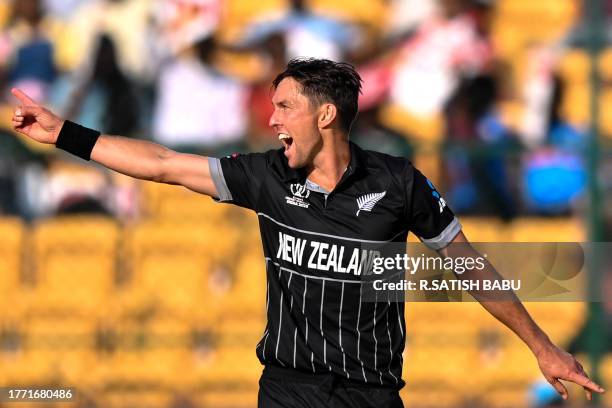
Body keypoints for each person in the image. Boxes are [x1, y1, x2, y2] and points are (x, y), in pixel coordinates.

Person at [9, 58, 605, 408]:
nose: (271, 120)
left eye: (285, 107)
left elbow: (469, 266)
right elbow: (163, 163)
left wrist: (541, 344)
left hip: (371, 392)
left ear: (324, 115)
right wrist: (65, 134)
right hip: (289, 389)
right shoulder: (266, 177)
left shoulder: (399, 184)